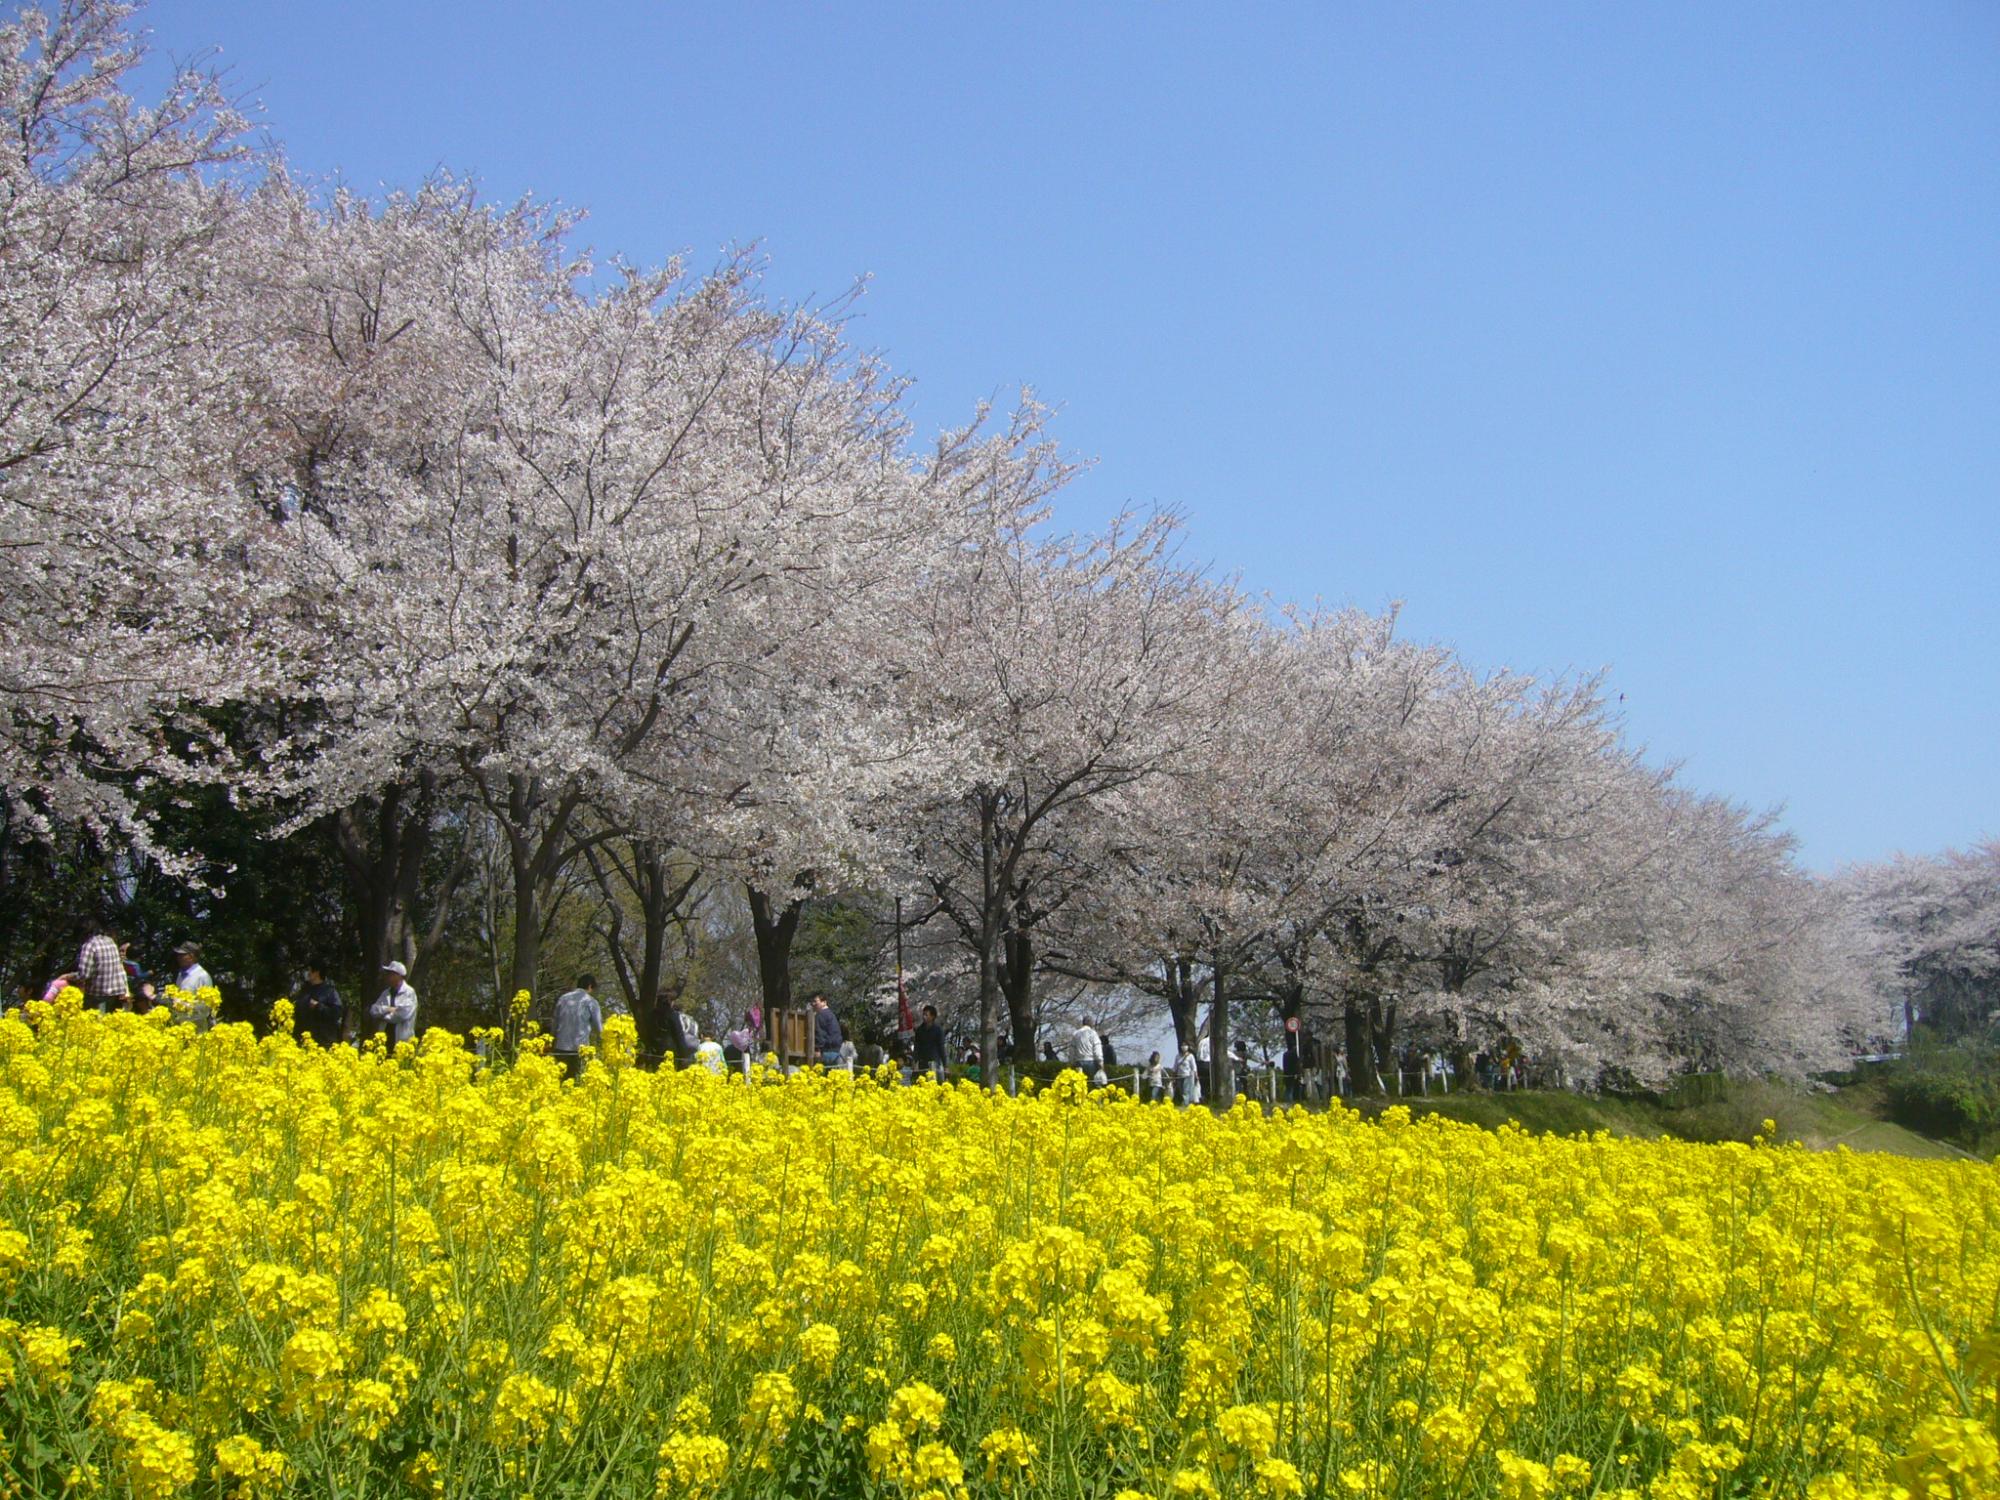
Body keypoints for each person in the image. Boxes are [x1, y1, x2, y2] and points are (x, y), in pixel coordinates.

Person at [553, 974, 604, 1070]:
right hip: (580, 1049)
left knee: (560, 1079)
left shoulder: (563, 998)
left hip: (561, 1047)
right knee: (577, 1079)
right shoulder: (591, 1002)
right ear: (590, 986)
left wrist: (552, 1041)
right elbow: (598, 1028)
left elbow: (555, 1022)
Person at [76, 926, 129, 1011]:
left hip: (98, 994)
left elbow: (84, 974)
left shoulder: (89, 945)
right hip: (115, 993)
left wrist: (68, 976)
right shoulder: (110, 941)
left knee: (94, 1020)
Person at [369, 961, 418, 1048]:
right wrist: (388, 1009)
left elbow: (402, 1015)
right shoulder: (386, 993)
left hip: (402, 1042)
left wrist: (382, 1016)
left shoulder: (409, 993)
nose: (387, 977)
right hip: (385, 1040)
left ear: (398, 976)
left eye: (390, 974)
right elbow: (373, 1010)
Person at [296, 965, 345, 1047]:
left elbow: (336, 1014)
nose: (307, 974)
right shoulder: (304, 991)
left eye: (309, 971)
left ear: (316, 973)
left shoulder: (330, 992)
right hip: (302, 1042)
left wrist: (318, 1006)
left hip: (323, 1042)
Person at [171, 942, 215, 1029]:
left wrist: (182, 1004)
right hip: (180, 1026)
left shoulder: (202, 976)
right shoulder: (181, 974)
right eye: (178, 955)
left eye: (182, 955)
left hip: (196, 1029)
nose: (178, 957)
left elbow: (205, 1008)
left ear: (191, 957)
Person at [913, 1004, 947, 1082]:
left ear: (932, 1017)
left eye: (926, 1015)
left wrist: (945, 1065)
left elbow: (941, 1047)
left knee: (932, 1083)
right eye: (923, 1014)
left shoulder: (938, 1030)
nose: (924, 1017)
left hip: (934, 1061)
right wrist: (915, 1062)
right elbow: (916, 1047)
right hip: (922, 1062)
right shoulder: (919, 1030)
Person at [1069, 1017, 1105, 1086]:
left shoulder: (1076, 1033)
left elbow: (1072, 1050)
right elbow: (1097, 1050)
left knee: (1079, 1085)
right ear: (1091, 1023)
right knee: (1092, 1085)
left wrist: (1071, 1062)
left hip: (1078, 1062)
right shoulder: (1093, 1033)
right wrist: (1101, 1063)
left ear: (1083, 1023)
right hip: (1091, 1062)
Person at [811, 994, 843, 1065]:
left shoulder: (820, 1015)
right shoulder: (831, 1014)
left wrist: (817, 1049)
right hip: (837, 1051)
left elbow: (819, 1033)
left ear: (824, 1002)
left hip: (826, 1051)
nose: (813, 1004)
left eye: (816, 1001)